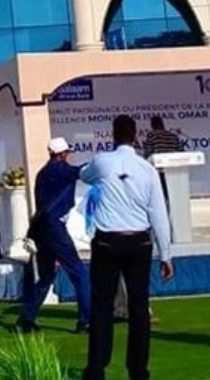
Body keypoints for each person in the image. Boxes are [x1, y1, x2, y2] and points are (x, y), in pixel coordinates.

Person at [81, 115, 173, 380]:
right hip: (138, 241)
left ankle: (97, 369)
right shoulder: (147, 169)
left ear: (113, 135)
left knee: (102, 306)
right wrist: (166, 255)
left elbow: (85, 175)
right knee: (139, 308)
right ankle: (138, 369)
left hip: (108, 241)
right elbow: (158, 214)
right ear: (135, 136)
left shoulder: (102, 161)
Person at [17, 138, 90, 334]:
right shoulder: (60, 169)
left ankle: (27, 318)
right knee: (79, 273)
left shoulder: (43, 172)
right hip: (54, 227)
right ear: (63, 154)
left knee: (46, 276)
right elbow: (81, 172)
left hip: (41, 228)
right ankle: (86, 319)